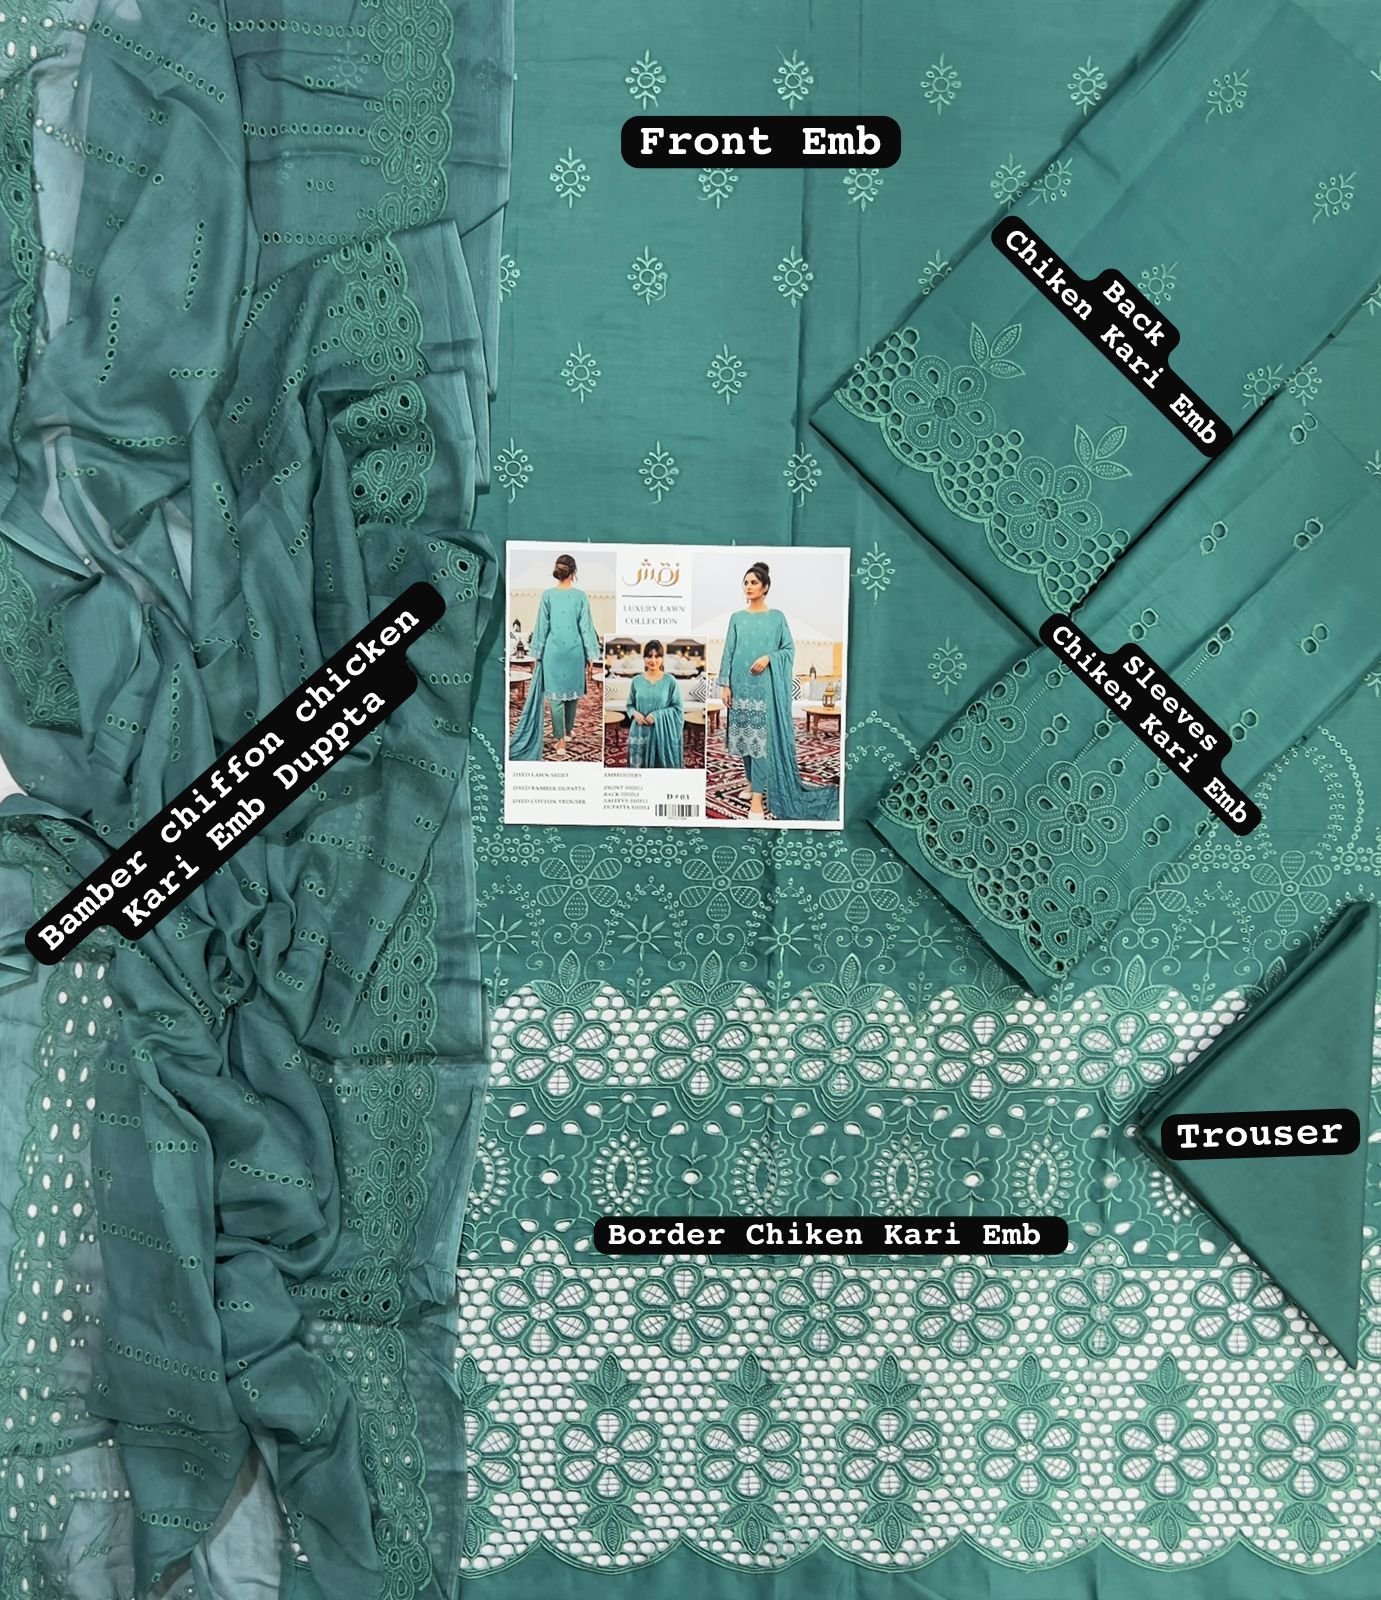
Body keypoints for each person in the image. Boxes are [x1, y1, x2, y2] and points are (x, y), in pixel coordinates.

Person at [718, 562, 839, 821]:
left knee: (760, 740)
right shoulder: (736, 618)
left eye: (754, 582)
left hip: (764, 687)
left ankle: (758, 800)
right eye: (745, 582)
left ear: (765, 587)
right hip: (739, 684)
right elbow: (728, 651)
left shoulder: (777, 618)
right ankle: (751, 782)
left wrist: (769, 658)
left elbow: (788, 649)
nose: (748, 587)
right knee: (744, 738)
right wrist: (725, 685)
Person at [509, 553, 601, 760]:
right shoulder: (580, 596)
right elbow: (586, 628)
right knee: (572, 694)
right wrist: (591, 655)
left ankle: (561, 739)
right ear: (574, 572)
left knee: (556, 697)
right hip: (575, 652)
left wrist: (537, 654)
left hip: (553, 653)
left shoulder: (547, 595)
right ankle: (567, 732)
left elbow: (541, 627)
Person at [625, 640, 685, 768]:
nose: (653, 660)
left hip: (662, 735)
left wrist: (657, 716)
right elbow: (630, 705)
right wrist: (634, 713)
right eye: (649, 656)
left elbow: (678, 709)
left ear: (662, 659)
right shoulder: (636, 681)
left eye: (657, 656)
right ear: (644, 658)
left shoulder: (670, 681)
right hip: (639, 732)